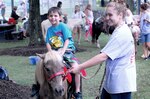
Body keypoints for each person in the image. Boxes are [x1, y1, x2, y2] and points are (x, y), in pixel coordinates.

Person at [71, 2, 136, 99]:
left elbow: (103, 56)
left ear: (120, 15)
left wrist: (79, 67)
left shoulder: (122, 33)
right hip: (113, 82)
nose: (107, 18)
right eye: (106, 15)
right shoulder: (119, 29)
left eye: (110, 15)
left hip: (120, 85)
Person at [45, 7, 82, 99]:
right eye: (51, 16)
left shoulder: (63, 26)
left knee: (76, 67)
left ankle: (77, 91)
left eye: (55, 16)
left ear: (60, 17)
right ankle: (40, 86)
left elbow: (67, 40)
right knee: (44, 65)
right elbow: (48, 43)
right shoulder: (49, 30)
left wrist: (63, 51)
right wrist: (51, 53)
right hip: (55, 52)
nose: (53, 18)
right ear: (48, 17)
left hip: (67, 50)